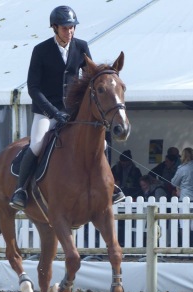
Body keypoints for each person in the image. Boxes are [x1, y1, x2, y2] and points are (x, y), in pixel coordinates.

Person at [10, 6, 124, 210]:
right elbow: (34, 88)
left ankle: (111, 185)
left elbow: (91, 77)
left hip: (73, 110)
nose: (69, 31)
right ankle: (21, 190)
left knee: (103, 145)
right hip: (46, 110)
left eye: (72, 27)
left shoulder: (81, 46)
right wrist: (53, 112)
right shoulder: (41, 50)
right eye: (65, 28)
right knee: (36, 145)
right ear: (55, 28)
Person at [171, 147, 193, 246]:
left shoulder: (182, 168)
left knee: (184, 225)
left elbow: (174, 182)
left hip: (185, 200)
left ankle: (185, 248)